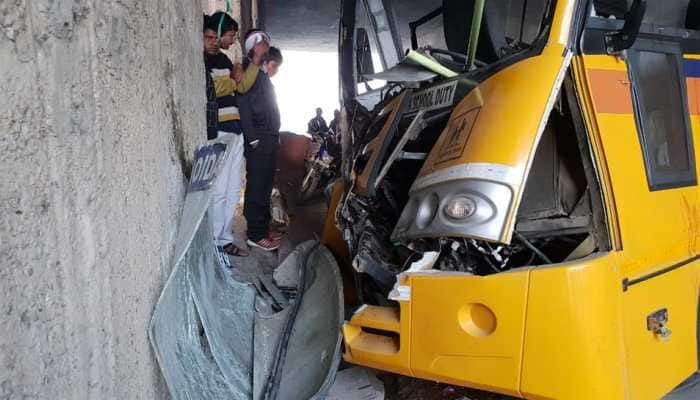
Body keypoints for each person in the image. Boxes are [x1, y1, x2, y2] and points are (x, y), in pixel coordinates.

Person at [203, 13, 259, 258]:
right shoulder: (204, 61)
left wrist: (253, 64)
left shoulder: (224, 61)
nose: (229, 41)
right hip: (220, 129)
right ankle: (215, 239)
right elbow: (211, 89)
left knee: (233, 189)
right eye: (229, 36)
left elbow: (242, 85)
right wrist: (234, 81)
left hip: (235, 130)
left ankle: (224, 238)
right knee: (219, 189)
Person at [237, 30, 283, 251]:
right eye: (263, 42)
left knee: (265, 186)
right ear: (253, 46)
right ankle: (255, 234)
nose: (267, 45)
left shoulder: (262, 76)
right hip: (258, 140)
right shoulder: (249, 73)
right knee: (256, 186)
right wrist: (253, 139)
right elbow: (244, 107)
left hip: (268, 138)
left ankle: (262, 230)